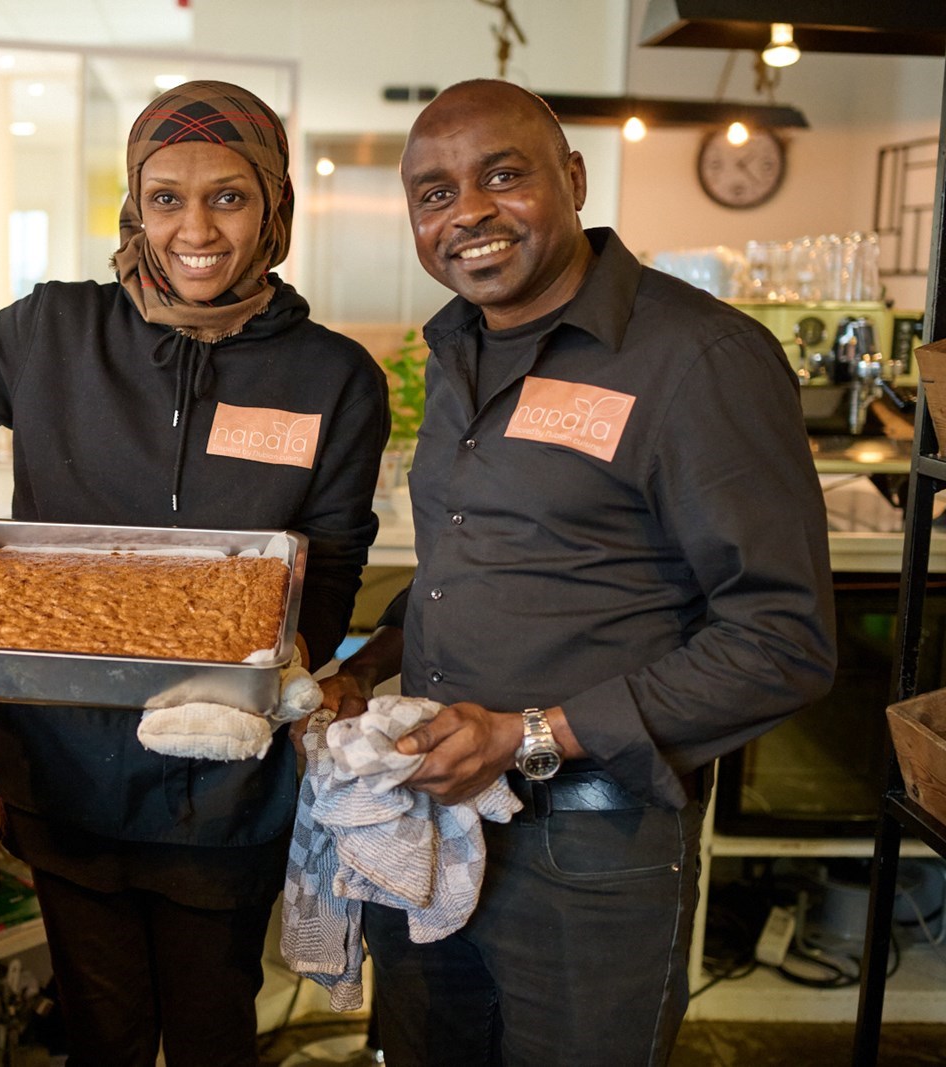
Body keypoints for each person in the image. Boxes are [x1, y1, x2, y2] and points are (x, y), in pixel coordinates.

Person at [0, 80, 390, 1066]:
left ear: (274, 204)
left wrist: (282, 669)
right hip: (65, 770)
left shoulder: (331, 377)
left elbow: (331, 556)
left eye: (228, 195)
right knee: (102, 1030)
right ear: (134, 204)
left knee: (217, 1024)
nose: (196, 226)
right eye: (166, 195)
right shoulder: (51, 332)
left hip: (228, 778)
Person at [317, 79, 836, 1065]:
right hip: (427, 821)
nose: (465, 210)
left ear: (573, 178)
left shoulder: (699, 358)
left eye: (501, 175)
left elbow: (784, 641)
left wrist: (529, 735)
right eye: (433, 192)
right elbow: (478, 569)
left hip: (588, 847)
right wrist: (369, 658)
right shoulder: (460, 343)